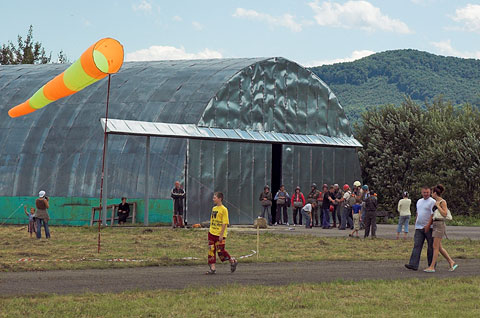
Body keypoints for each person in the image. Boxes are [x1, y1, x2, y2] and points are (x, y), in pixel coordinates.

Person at [424, 185, 457, 273]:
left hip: (440, 224)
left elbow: (445, 213)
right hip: (435, 224)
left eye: (432, 192)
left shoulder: (442, 202)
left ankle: (432, 266)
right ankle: (451, 262)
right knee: (439, 247)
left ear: (435, 193)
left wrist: (438, 206)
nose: (431, 194)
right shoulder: (435, 201)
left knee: (435, 247)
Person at [405, 186, 436, 271]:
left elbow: (433, 215)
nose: (425, 194)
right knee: (417, 245)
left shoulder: (432, 202)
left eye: (427, 192)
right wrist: (416, 222)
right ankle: (413, 264)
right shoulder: (419, 201)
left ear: (430, 192)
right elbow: (418, 212)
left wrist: (428, 225)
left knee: (431, 247)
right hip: (419, 227)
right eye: (424, 192)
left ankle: (431, 265)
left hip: (429, 228)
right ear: (421, 192)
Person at [206, 192, 238, 275]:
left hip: (220, 234)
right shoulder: (214, 208)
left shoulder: (224, 209)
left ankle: (232, 261)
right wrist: (210, 230)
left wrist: (221, 234)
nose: (213, 199)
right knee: (211, 250)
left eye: (215, 198)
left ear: (219, 199)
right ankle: (212, 268)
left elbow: (225, 223)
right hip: (212, 233)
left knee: (221, 251)